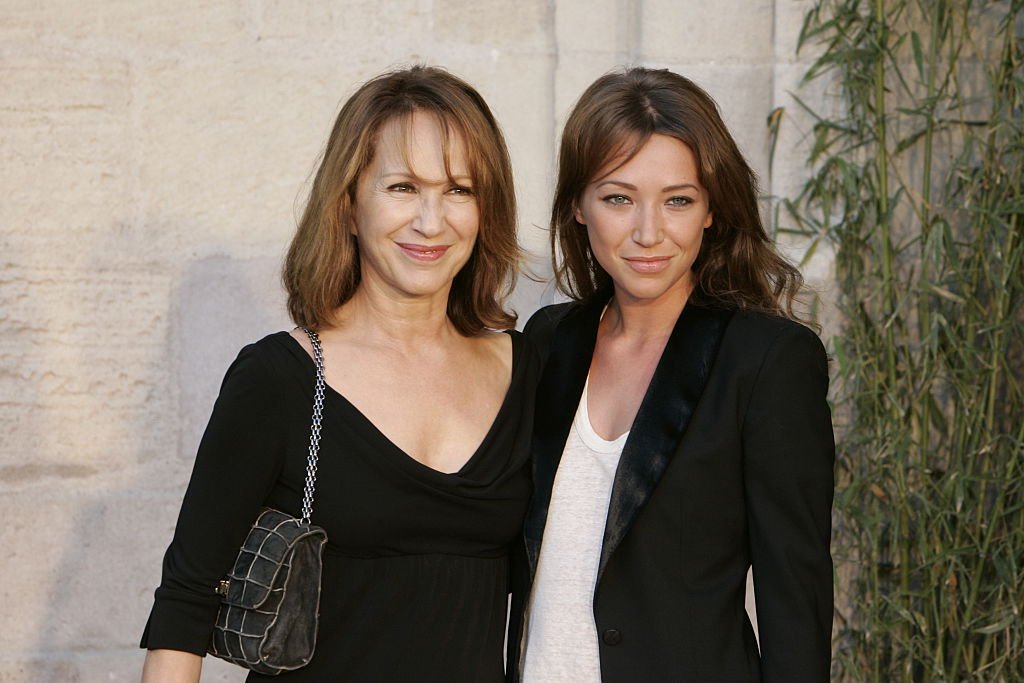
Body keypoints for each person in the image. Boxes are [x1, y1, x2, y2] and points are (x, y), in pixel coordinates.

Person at [140, 65, 538, 682]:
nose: (432, 222)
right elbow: (186, 604)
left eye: (460, 190)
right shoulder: (278, 380)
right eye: (403, 187)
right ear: (349, 205)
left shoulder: (528, 370)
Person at [509, 67, 835, 682]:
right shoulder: (549, 341)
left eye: (678, 200)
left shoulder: (767, 360)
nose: (648, 233)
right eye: (618, 198)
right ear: (579, 206)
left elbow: (796, 599)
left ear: (713, 209)